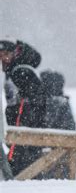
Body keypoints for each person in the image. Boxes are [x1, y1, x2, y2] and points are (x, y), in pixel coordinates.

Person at [0, 40, 47, 177]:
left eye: (6, 54)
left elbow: (34, 103)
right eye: (0, 55)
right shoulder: (14, 70)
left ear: (16, 53)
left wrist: (22, 125)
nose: (3, 58)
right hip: (22, 128)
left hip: (25, 129)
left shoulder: (21, 71)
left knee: (23, 165)